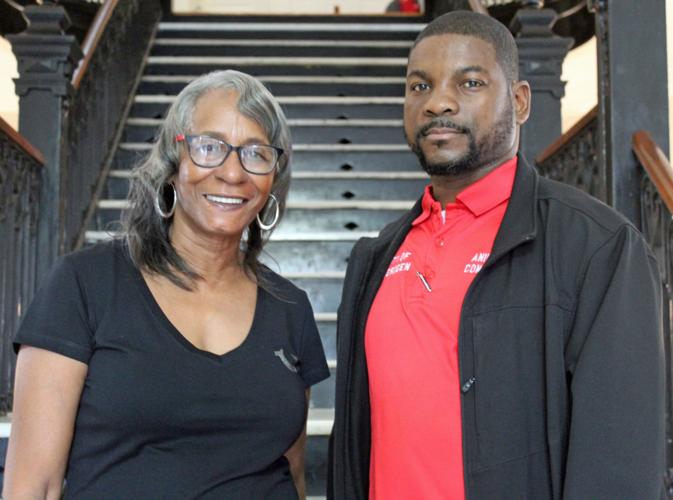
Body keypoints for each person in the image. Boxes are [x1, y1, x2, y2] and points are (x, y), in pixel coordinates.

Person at [328, 10, 664, 500]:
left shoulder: (597, 247)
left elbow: (619, 468)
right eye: (420, 86)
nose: (438, 103)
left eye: (470, 83)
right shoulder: (374, 259)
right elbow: (351, 449)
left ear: (520, 101)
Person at [4, 69, 329, 499]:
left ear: (273, 178)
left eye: (256, 153)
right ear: (173, 164)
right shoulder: (83, 285)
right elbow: (34, 486)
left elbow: (294, 474)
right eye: (209, 147)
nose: (233, 173)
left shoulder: (290, 307)